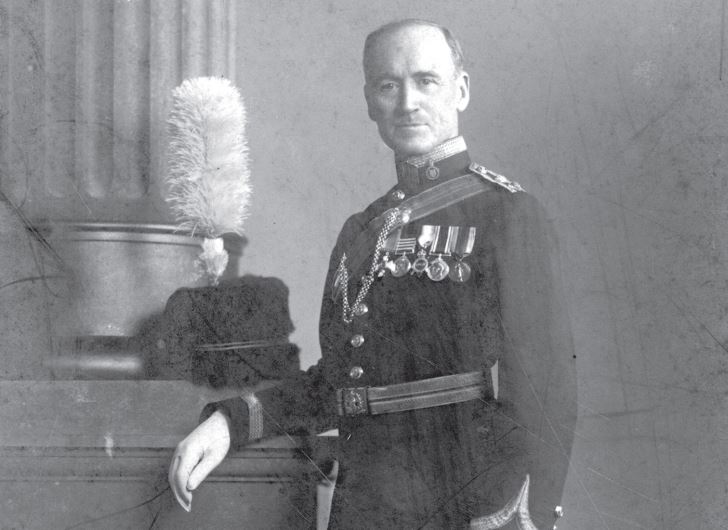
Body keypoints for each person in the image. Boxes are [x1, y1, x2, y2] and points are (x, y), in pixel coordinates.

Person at [169, 19, 577, 529]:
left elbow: (548, 389)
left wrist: (518, 517)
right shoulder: (361, 231)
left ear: (461, 90)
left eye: (426, 81)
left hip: (464, 506)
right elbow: (340, 382)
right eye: (388, 85)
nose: (407, 102)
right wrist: (231, 422)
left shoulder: (507, 214)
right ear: (369, 102)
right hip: (366, 508)